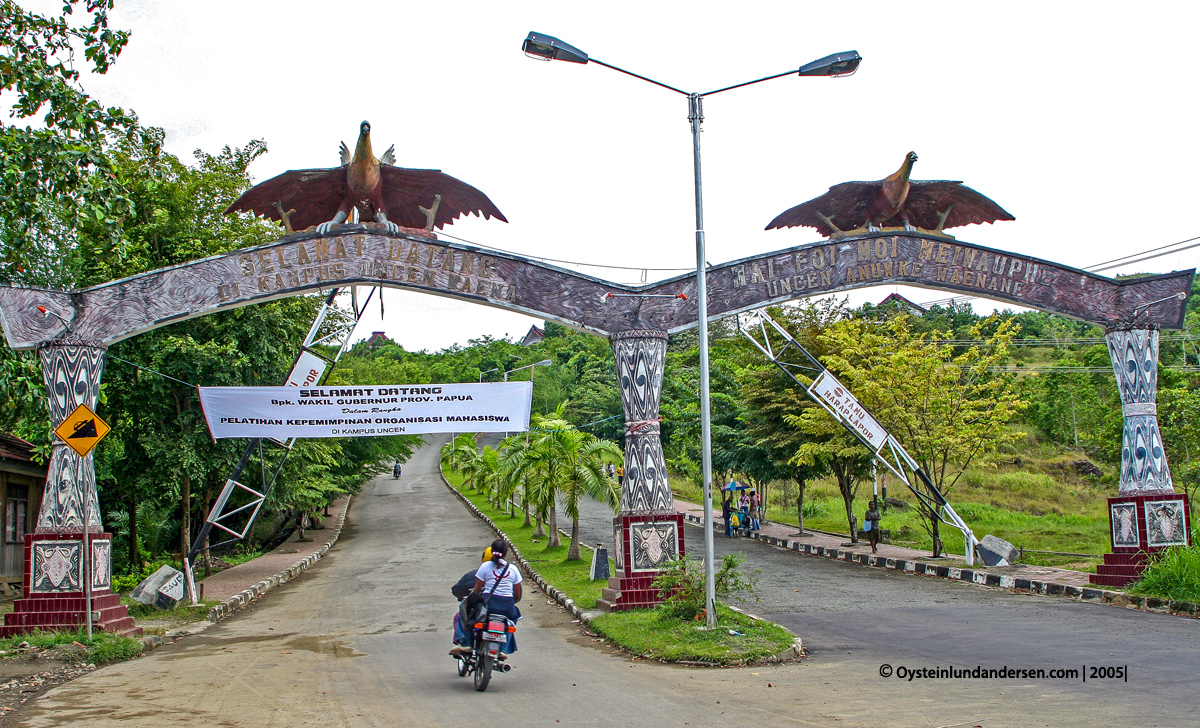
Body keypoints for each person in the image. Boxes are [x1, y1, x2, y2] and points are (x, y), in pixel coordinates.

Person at [451, 539, 523, 658]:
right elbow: (517, 594)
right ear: (505, 554)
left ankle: (466, 644)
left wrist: (469, 600)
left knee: (463, 610)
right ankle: (503, 649)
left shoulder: (485, 566)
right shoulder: (513, 569)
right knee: (511, 622)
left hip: (488, 605)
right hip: (507, 607)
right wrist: (510, 603)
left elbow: (477, 589)